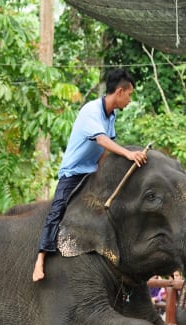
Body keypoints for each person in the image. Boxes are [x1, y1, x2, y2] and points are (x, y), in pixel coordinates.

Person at [32, 68, 147, 282]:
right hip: (74, 171)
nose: (130, 100)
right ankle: (40, 259)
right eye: (130, 95)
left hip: (93, 170)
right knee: (57, 210)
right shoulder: (91, 111)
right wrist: (128, 154)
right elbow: (102, 141)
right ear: (120, 91)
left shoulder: (111, 116)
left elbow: (105, 152)